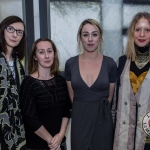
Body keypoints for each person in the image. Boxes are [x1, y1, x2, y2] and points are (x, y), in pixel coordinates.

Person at [65, 19, 117, 150]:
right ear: (80, 37)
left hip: (102, 120)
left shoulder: (110, 63)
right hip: (79, 119)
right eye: (85, 34)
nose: (90, 39)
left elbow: (110, 97)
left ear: (100, 37)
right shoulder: (70, 63)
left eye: (94, 34)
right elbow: (72, 96)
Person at [19, 38, 70, 150]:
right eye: (41, 52)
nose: (47, 56)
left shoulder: (61, 81)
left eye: (49, 51)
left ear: (54, 54)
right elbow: (30, 118)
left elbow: (66, 110)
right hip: (38, 145)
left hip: (60, 143)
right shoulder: (28, 83)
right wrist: (51, 142)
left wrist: (61, 136)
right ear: (35, 57)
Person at [112, 12, 150, 150]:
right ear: (132, 33)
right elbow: (113, 105)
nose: (142, 34)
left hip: (147, 138)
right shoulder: (121, 63)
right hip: (122, 137)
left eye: (147, 30)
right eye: (138, 29)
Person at [0, 16, 26, 150]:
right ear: (3, 30)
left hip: (17, 128)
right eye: (11, 29)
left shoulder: (18, 63)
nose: (15, 34)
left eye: (19, 32)